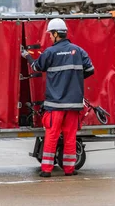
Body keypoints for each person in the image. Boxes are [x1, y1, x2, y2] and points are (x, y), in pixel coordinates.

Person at [21, 18, 94, 177]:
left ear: (55, 34)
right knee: (70, 137)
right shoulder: (79, 51)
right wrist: (75, 81)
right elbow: (90, 70)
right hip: (74, 104)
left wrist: (27, 55)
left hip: (55, 104)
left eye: (50, 34)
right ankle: (69, 169)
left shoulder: (50, 52)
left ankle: (46, 170)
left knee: (52, 136)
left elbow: (36, 67)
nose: (49, 37)